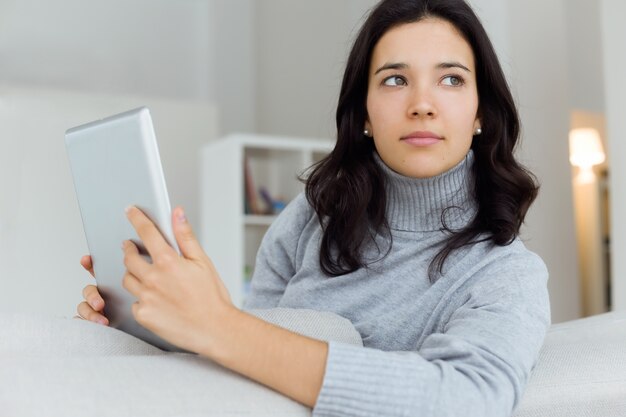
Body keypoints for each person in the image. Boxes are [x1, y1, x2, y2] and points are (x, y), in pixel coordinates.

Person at [78, 0, 550, 415]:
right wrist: (155, 325)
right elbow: (247, 367)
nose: (422, 103)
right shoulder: (311, 219)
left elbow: (467, 401)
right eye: (394, 79)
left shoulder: (506, 275)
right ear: (364, 114)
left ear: (481, 112)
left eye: (450, 79)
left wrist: (220, 324)